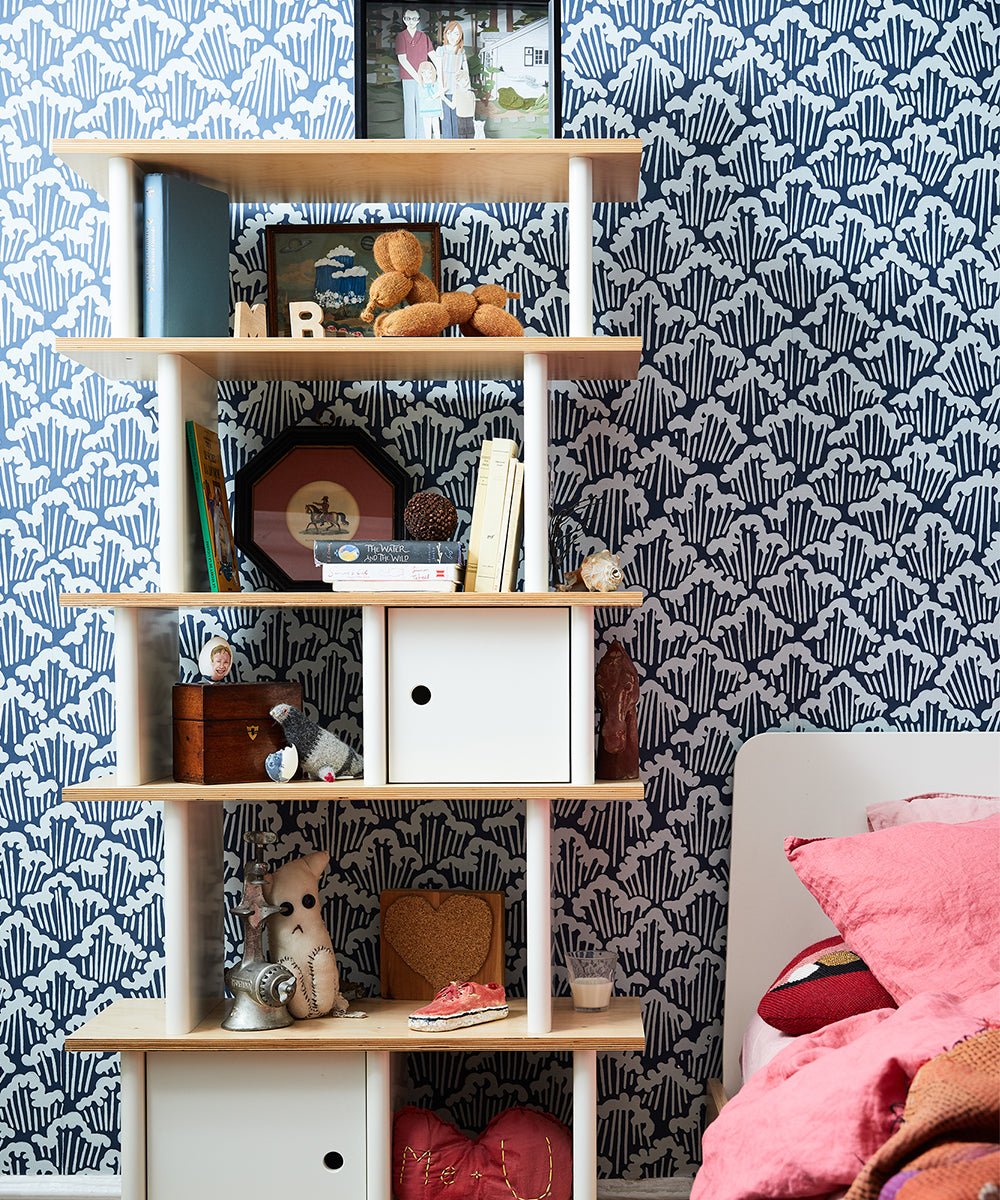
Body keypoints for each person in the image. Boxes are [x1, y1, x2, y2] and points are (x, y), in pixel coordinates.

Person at [396, 9, 434, 139]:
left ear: (418, 20)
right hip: (408, 78)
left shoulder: (424, 37)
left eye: (413, 19)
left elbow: (432, 55)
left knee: (422, 107)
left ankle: (422, 137)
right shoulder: (401, 37)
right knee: (409, 107)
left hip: (424, 77)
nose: (410, 21)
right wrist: (417, 77)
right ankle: (410, 138)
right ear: (403, 19)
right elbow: (402, 59)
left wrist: (441, 65)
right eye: (407, 18)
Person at [432, 20, 468, 139]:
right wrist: (441, 89)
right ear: (445, 34)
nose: (453, 37)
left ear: (461, 36)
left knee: (457, 117)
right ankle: (447, 144)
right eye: (450, 33)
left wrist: (466, 89)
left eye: (456, 34)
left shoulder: (462, 52)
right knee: (446, 118)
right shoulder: (441, 50)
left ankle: (457, 144)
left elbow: (466, 73)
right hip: (445, 89)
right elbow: (439, 70)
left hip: (458, 89)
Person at [416, 60, 444, 138]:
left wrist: (441, 111)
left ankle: (437, 144)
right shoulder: (420, 85)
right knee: (427, 129)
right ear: (420, 73)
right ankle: (428, 144)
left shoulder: (435, 84)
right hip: (425, 110)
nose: (426, 75)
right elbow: (425, 98)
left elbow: (439, 98)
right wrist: (436, 95)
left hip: (435, 109)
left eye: (429, 72)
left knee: (436, 128)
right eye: (423, 72)